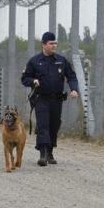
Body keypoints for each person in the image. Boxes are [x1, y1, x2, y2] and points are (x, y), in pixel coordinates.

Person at [21, 32, 79, 166]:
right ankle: (42, 154)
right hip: (41, 98)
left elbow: (71, 76)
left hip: (56, 100)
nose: (54, 45)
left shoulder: (61, 60)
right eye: (51, 43)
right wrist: (33, 81)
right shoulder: (34, 61)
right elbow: (24, 79)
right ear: (43, 44)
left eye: (55, 43)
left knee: (54, 125)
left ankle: (50, 151)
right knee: (43, 125)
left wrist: (74, 89)